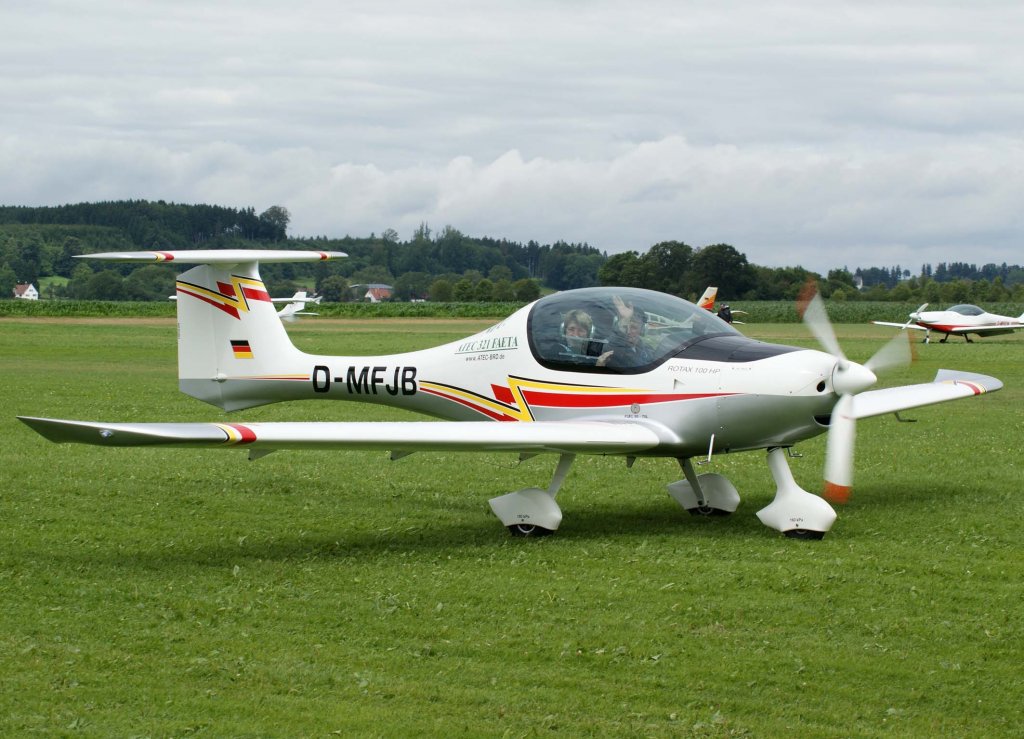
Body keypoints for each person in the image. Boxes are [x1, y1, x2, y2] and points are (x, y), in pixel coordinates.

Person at [605, 295, 652, 369]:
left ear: (642, 330)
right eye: (625, 327)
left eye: (633, 327)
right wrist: (624, 321)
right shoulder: (609, 345)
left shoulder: (647, 350)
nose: (628, 331)